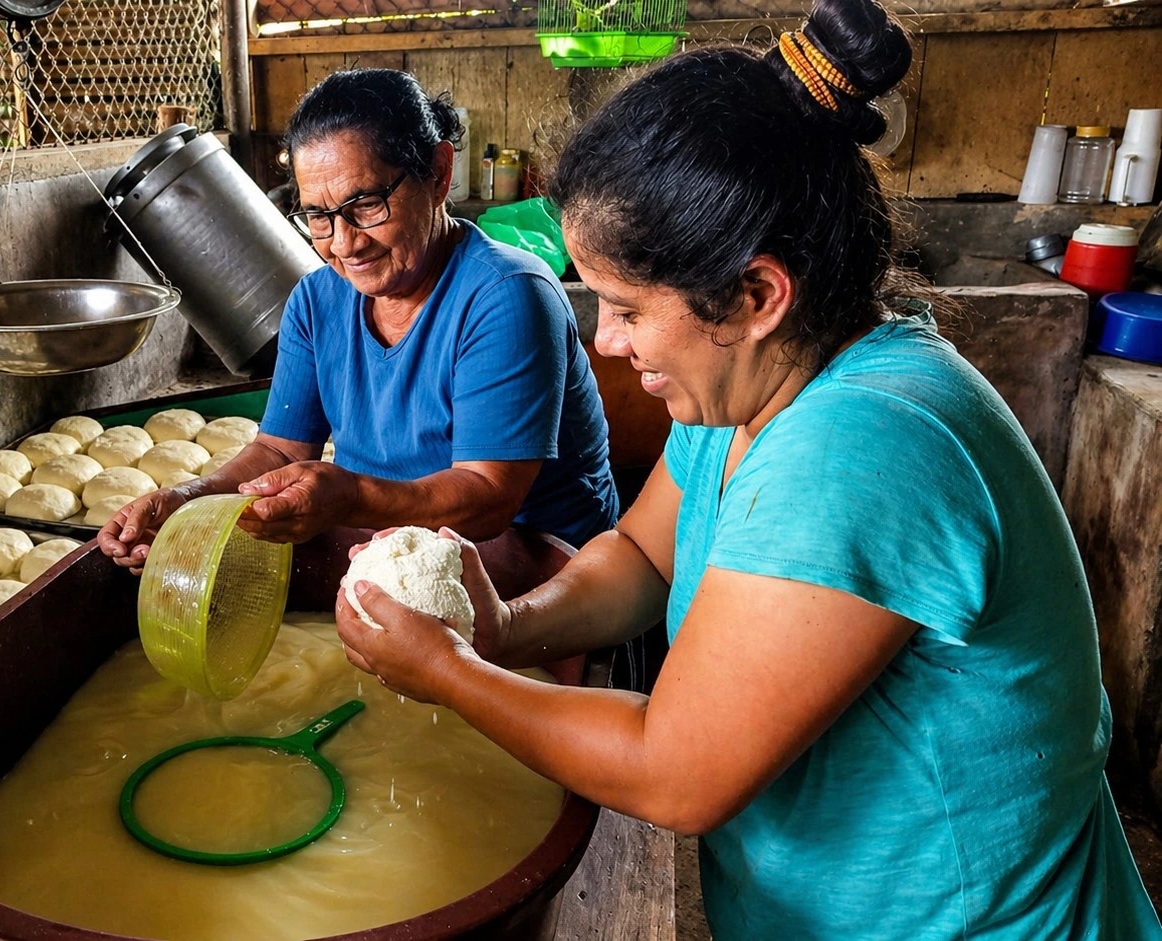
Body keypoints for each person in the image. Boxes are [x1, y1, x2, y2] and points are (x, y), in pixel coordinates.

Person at [331, 1, 1162, 936]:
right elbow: (642, 560)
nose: (607, 343)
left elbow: (675, 773)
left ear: (758, 294)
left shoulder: (860, 445)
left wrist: (449, 671)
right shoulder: (751, 385)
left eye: (626, 309)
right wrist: (505, 625)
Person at [97, 69, 619, 567]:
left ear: (438, 174)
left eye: (366, 204)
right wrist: (188, 500)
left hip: (539, 573)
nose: (345, 244)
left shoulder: (506, 295)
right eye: (318, 216)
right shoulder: (316, 300)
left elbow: (487, 499)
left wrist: (348, 497)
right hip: (388, 555)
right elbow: (279, 450)